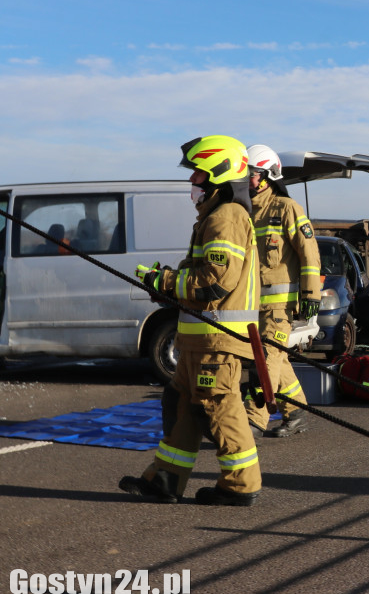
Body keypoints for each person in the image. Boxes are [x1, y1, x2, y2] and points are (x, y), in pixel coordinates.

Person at [119, 135, 262, 506]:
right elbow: (201, 277)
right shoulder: (214, 217)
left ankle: (240, 486)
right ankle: (165, 480)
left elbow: (213, 282)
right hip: (200, 341)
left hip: (217, 341)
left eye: (198, 175)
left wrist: (164, 281)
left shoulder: (226, 217)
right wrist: (166, 286)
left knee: (220, 407)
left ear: (218, 174)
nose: (191, 183)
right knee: (183, 403)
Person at [243, 144, 322, 438]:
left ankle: (253, 420)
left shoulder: (287, 209)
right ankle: (297, 412)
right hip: (252, 306)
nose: (246, 180)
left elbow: (309, 253)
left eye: (251, 174)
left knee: (265, 359)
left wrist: (311, 295)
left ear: (267, 176)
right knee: (278, 359)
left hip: (280, 307)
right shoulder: (246, 213)